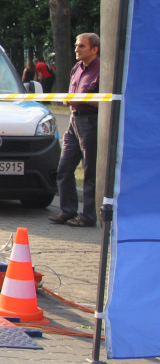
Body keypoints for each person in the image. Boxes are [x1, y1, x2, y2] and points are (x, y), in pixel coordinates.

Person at [49, 33, 101, 228]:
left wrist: (81, 100)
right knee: (64, 168)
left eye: (82, 46)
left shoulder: (101, 70)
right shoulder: (76, 69)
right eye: (76, 46)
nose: (77, 49)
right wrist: (68, 98)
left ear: (94, 49)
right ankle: (67, 211)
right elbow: (72, 93)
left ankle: (88, 216)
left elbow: (105, 102)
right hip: (73, 120)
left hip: (90, 121)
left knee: (90, 170)